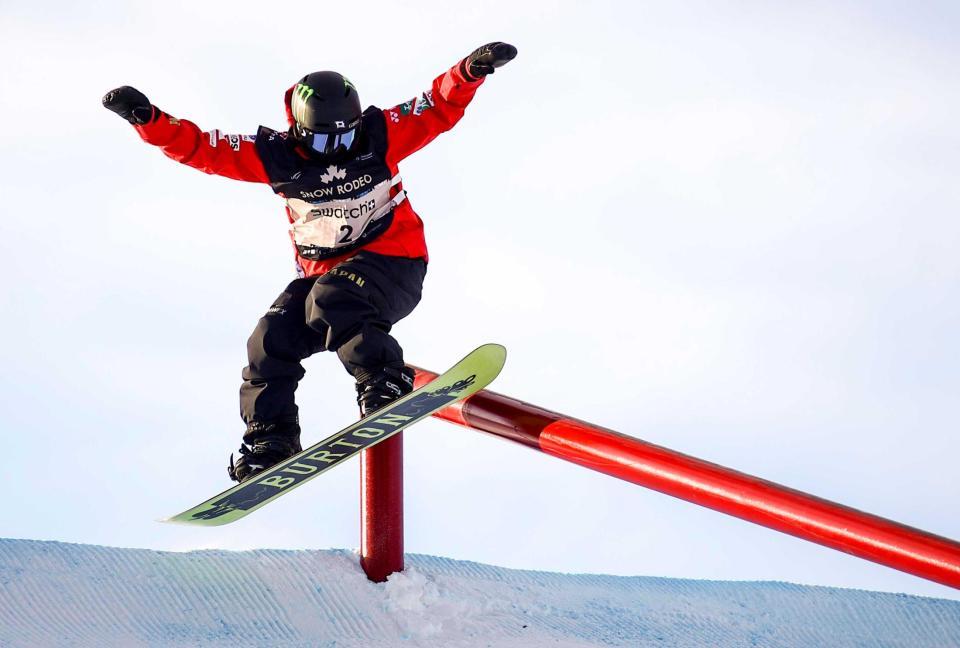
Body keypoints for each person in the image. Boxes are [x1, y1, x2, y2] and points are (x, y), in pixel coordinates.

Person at [102, 42, 517, 483]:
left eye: (344, 136)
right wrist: (148, 119)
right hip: (327, 281)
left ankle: (383, 377)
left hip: (394, 265)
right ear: (297, 130)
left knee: (333, 295)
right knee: (270, 337)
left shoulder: (380, 135)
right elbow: (203, 148)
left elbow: (434, 108)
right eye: (321, 139)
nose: (335, 149)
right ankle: (271, 439)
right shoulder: (274, 156)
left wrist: (470, 71)